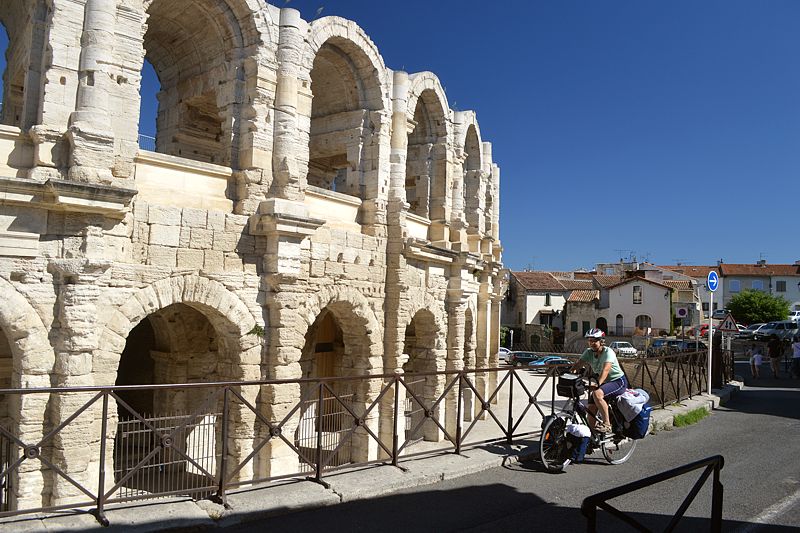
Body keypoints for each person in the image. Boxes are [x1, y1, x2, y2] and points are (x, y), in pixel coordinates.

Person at [569, 328, 628, 434]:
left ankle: (607, 424)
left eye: (594, 341)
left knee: (597, 394)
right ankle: (591, 435)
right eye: (590, 340)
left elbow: (606, 370)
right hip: (604, 383)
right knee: (591, 407)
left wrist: (598, 384)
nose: (592, 343)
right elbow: (578, 364)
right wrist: (568, 374)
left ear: (601, 341)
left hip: (618, 381)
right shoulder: (589, 352)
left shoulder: (608, 352)